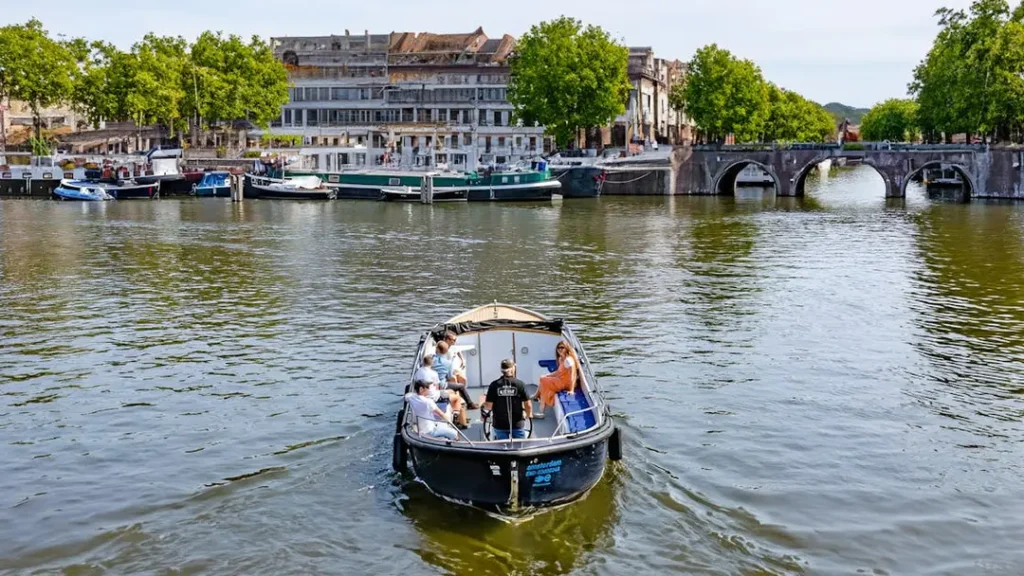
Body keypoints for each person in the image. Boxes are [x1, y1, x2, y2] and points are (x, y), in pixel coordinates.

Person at [415, 354, 468, 429]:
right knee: (456, 398)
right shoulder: (433, 373)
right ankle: (457, 418)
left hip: (424, 394)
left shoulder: (418, 372)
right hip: (434, 397)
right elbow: (437, 387)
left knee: (450, 391)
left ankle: (454, 410)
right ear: (432, 363)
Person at [484, 359, 532, 440]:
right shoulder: (520, 384)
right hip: (517, 425)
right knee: (521, 445)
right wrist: (528, 415)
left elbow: (488, 406)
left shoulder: (494, 385)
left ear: (501, 370)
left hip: (499, 425)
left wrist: (483, 405)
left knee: (502, 446)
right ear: (513, 368)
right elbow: (528, 405)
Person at [533, 340, 581, 413]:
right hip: (561, 380)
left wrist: (571, 390)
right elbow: (558, 372)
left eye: (562, 347)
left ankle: (541, 406)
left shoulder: (568, 360)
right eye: (558, 348)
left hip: (567, 384)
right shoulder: (561, 358)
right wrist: (547, 375)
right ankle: (540, 403)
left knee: (543, 380)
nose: (560, 349)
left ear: (567, 349)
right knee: (543, 378)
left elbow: (572, 376)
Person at [435, 341, 476, 408]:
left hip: (432, 384)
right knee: (461, 386)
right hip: (442, 385)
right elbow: (449, 376)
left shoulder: (430, 359)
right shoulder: (448, 363)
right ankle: (470, 404)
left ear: (437, 349)